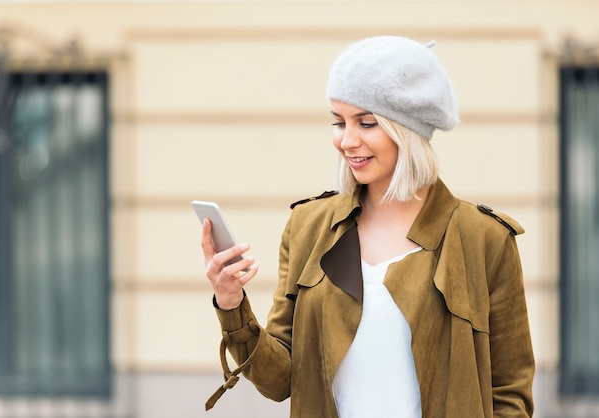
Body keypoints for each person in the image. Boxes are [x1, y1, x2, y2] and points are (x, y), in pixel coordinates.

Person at [200, 35, 535, 417]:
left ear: (409, 130)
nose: (346, 140)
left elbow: (510, 393)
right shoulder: (308, 227)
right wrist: (231, 304)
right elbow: (279, 380)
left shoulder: (484, 239)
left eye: (367, 122)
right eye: (338, 121)